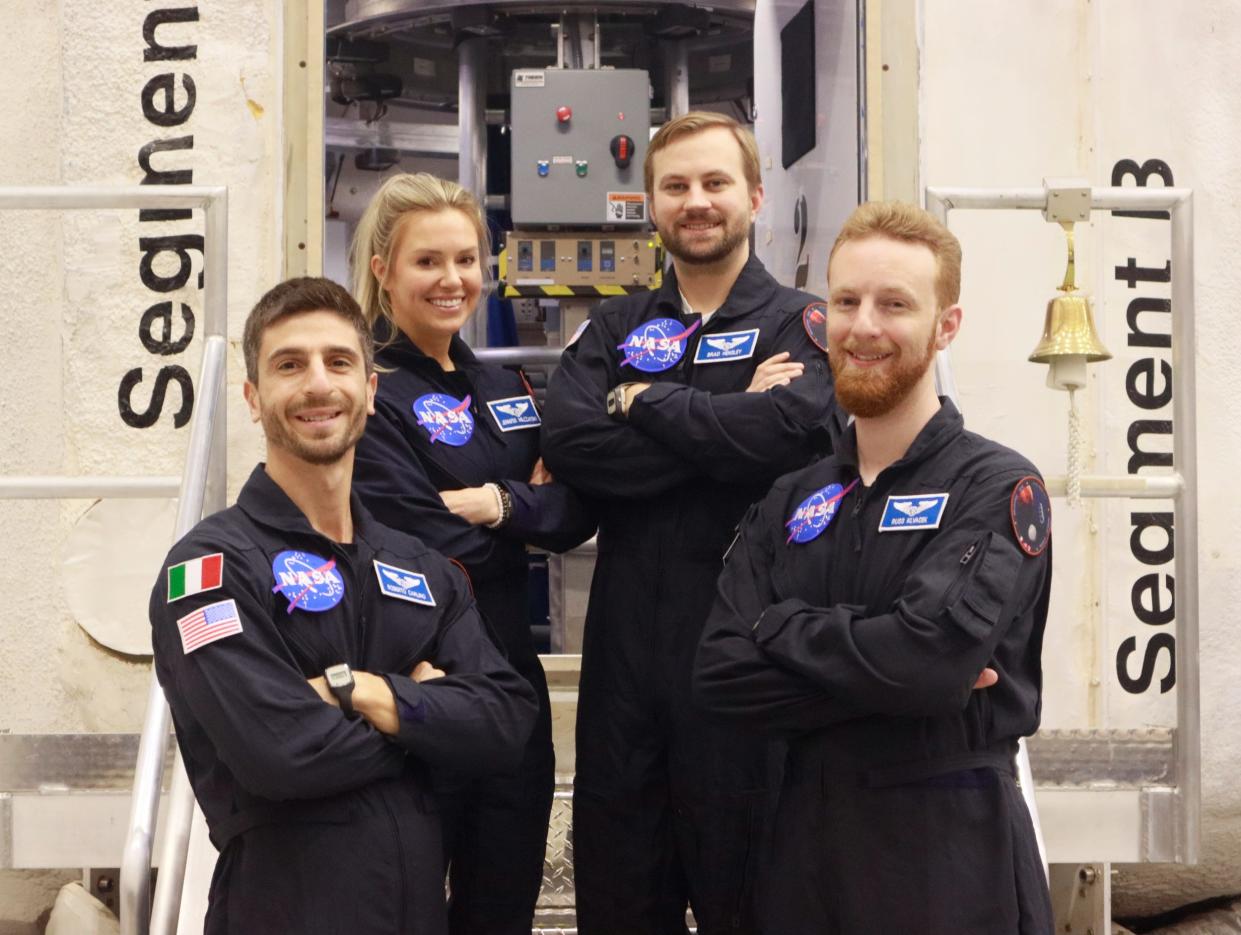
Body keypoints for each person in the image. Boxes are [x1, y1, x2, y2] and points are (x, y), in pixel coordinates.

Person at [693, 201, 1055, 934]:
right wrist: (895, 667)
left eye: (894, 304)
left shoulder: (994, 487)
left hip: (946, 850)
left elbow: (927, 664)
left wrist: (781, 624)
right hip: (799, 852)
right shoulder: (792, 497)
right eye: (846, 301)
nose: (863, 326)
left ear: (944, 326)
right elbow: (720, 675)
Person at [149, 277, 538, 935]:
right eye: (288, 364)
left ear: (371, 389)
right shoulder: (210, 569)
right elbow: (279, 751)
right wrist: (425, 723)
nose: (318, 385)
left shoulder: (421, 567)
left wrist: (356, 691)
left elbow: (505, 721)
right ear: (252, 397)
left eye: (338, 362)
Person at [540, 111, 838, 935]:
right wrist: (727, 417)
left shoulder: (798, 324)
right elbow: (573, 442)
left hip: (746, 652)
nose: (695, 201)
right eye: (675, 186)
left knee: (750, 895)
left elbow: (791, 435)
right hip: (626, 657)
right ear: (650, 204)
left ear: (753, 195)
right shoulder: (616, 327)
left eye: (713, 183)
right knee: (619, 894)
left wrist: (646, 403)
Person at [349, 172, 595, 935]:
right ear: (384, 267)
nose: (452, 280)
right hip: (413, 681)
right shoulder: (366, 389)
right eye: (428, 261)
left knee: (502, 907)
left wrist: (500, 504)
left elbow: (573, 511)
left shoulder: (506, 384)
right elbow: (415, 540)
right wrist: (525, 508)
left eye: (466, 259)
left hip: (508, 687)